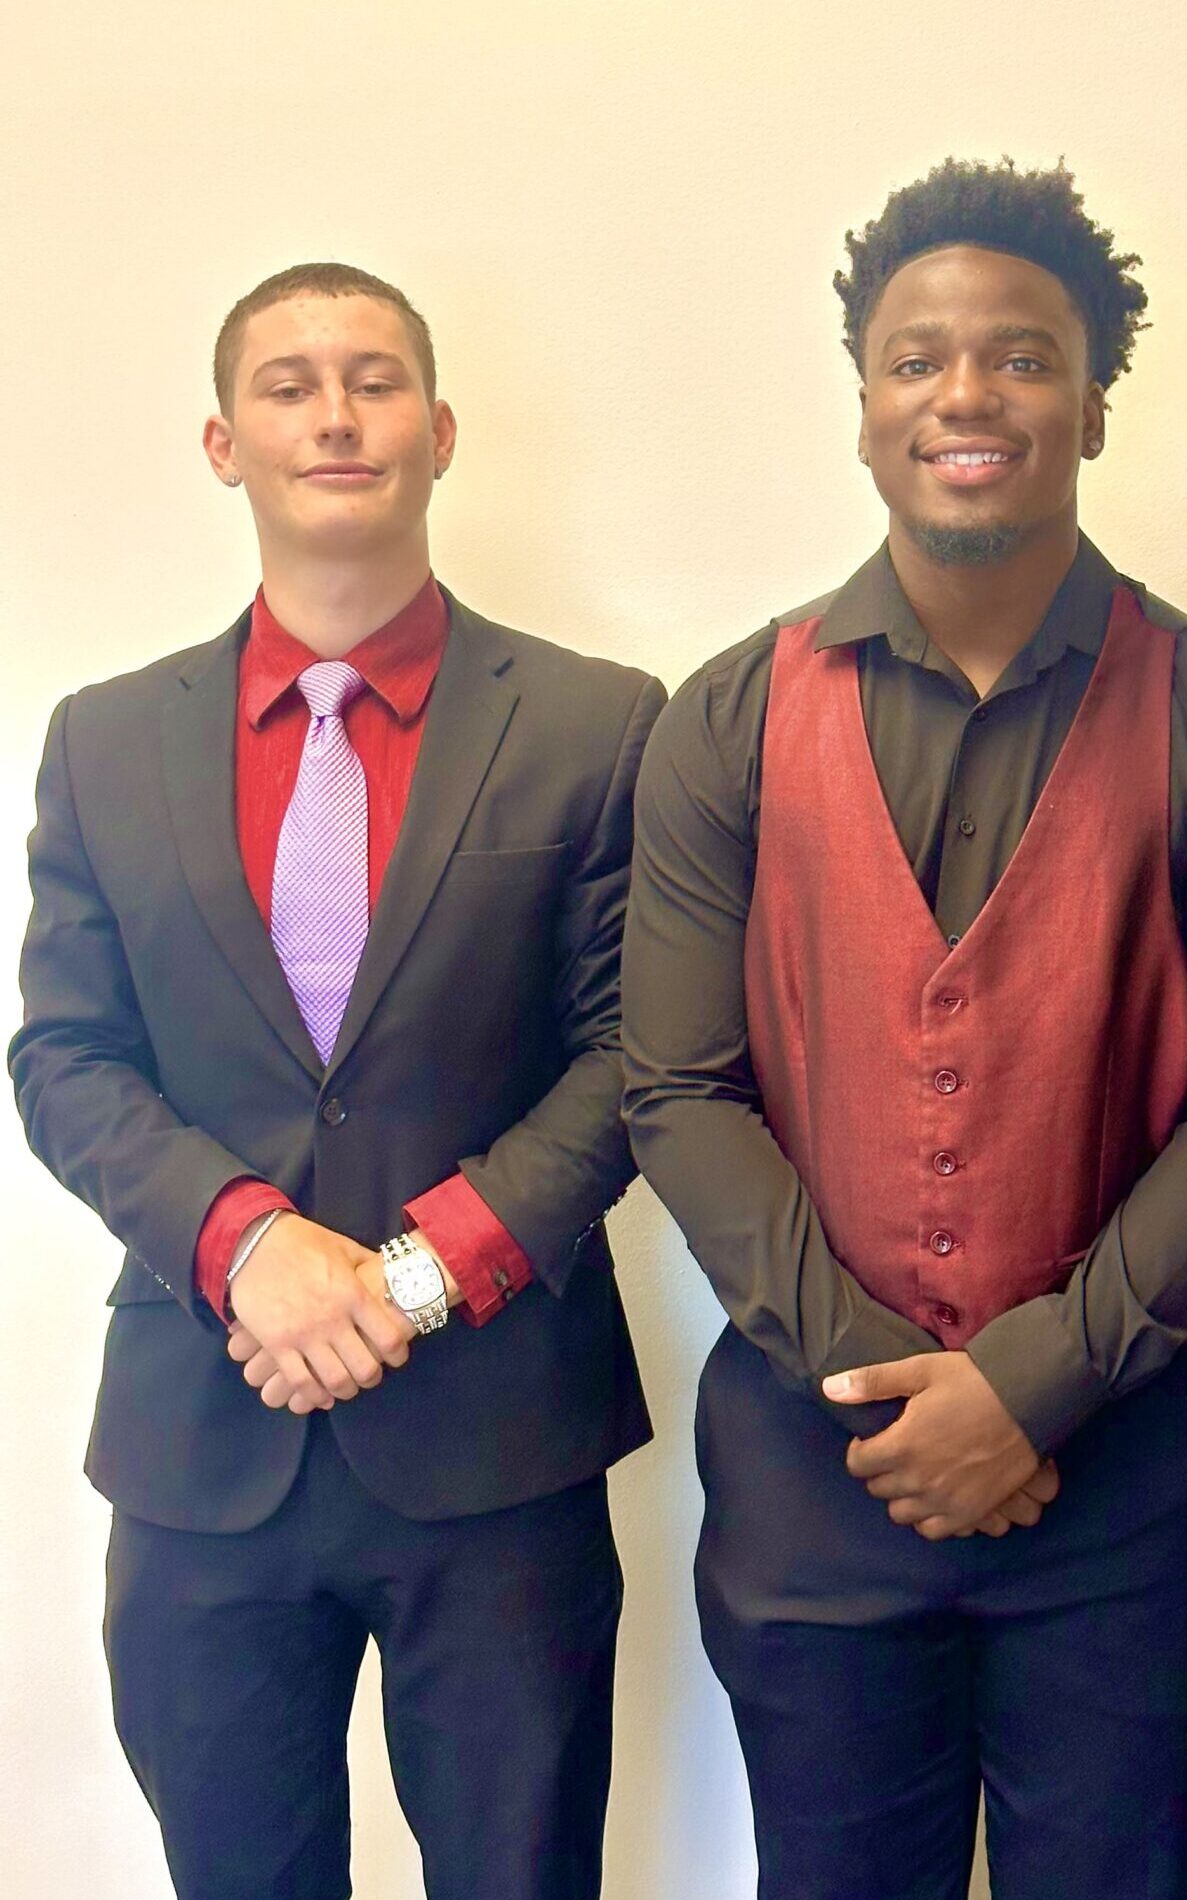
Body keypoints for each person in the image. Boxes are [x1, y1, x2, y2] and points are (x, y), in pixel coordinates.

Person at [622, 158, 1187, 1899]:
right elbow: (678, 1086)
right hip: (812, 1470)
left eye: (1020, 357)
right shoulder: (727, 719)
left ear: (1092, 402)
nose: (968, 395)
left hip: (1132, 1486)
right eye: (919, 358)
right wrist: (889, 1392)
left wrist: (1030, 1386)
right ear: (865, 404)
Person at [10, 262, 664, 1900]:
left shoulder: (598, 725)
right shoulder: (103, 740)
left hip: (499, 1444)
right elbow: (64, 1054)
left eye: (373, 380)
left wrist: (420, 1275)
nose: (335, 413)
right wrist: (249, 1243)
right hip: (201, 1442)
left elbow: (636, 1056)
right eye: (290, 384)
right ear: (224, 443)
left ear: (437, 432)